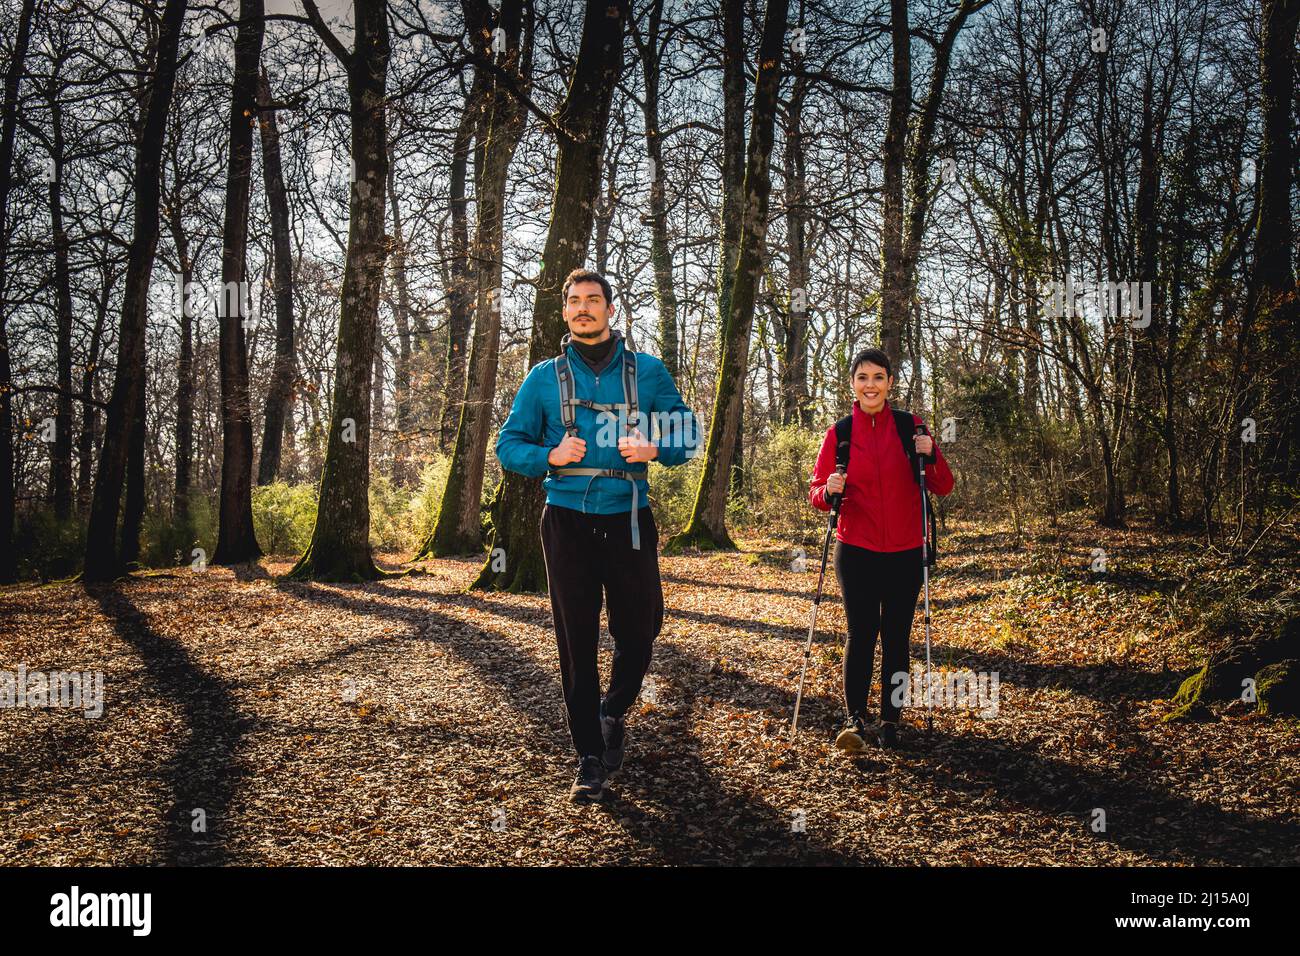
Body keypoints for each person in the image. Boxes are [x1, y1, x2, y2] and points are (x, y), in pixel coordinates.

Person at [496, 267, 699, 802]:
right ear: (564, 311)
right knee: (576, 638)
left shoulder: (648, 372)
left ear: (611, 309)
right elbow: (507, 444)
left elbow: (688, 433)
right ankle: (588, 753)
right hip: (566, 521)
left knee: (641, 628)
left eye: (593, 300)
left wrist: (656, 449)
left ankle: (613, 711)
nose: (583, 308)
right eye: (574, 301)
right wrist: (549, 455)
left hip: (630, 516)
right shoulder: (543, 377)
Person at [808, 348, 954, 751]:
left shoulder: (912, 427)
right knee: (862, 633)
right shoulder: (840, 433)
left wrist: (932, 454)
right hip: (855, 550)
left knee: (896, 637)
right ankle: (854, 719)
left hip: (906, 551)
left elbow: (943, 485)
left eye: (877, 377)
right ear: (852, 385)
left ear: (890, 383)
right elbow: (816, 492)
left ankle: (891, 719)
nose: (870, 385)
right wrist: (828, 491)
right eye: (862, 377)